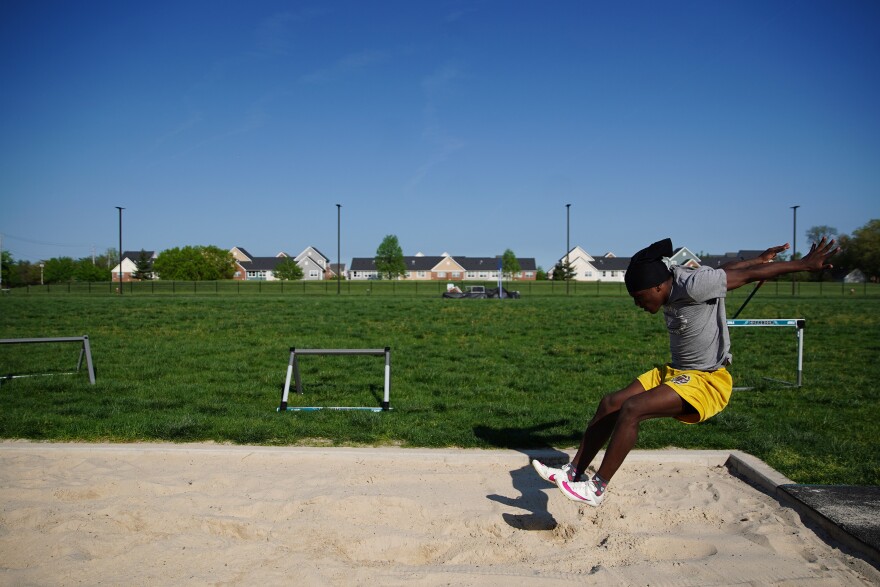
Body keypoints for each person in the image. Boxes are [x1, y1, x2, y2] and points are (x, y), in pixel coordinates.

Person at [532, 236, 838, 507]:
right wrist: (756, 258)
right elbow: (730, 268)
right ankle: (574, 473)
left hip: (706, 379)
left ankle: (596, 489)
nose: (639, 305)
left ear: (658, 286)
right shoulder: (675, 278)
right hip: (676, 371)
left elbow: (746, 276)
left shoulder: (693, 285)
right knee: (611, 402)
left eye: (640, 299)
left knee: (632, 409)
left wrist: (803, 264)